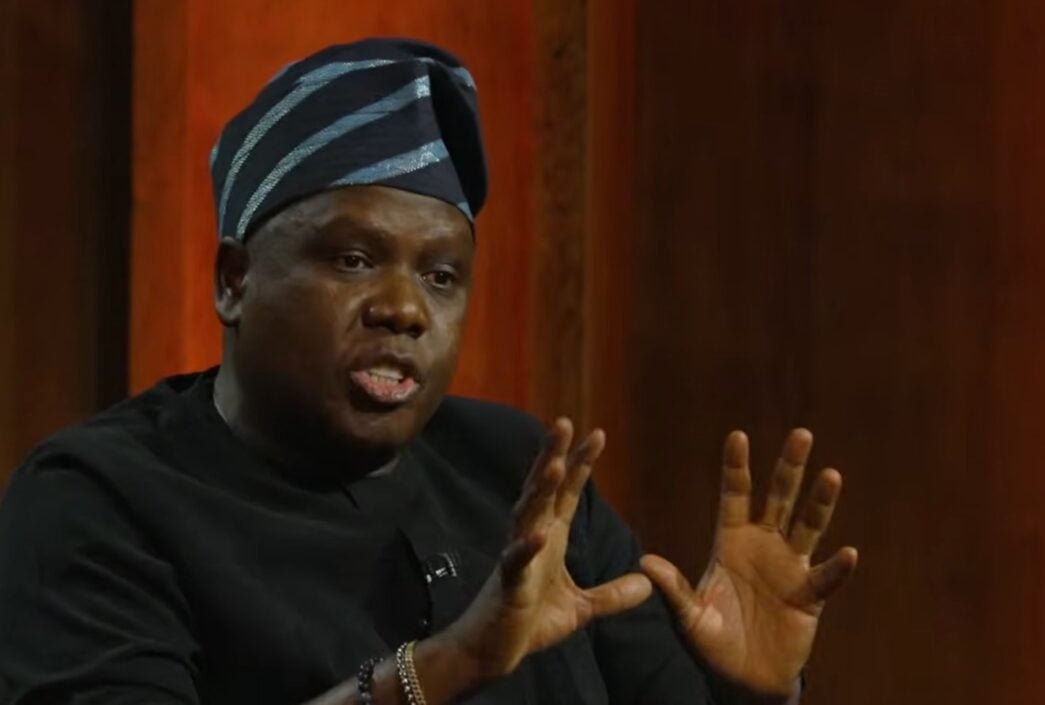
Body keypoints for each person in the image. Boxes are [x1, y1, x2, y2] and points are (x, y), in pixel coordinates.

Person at [0, 38, 857, 705]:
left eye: (441, 276)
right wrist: (443, 666)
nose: (405, 309)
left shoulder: (519, 472)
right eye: (353, 259)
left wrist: (753, 694)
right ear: (234, 280)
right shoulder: (98, 502)